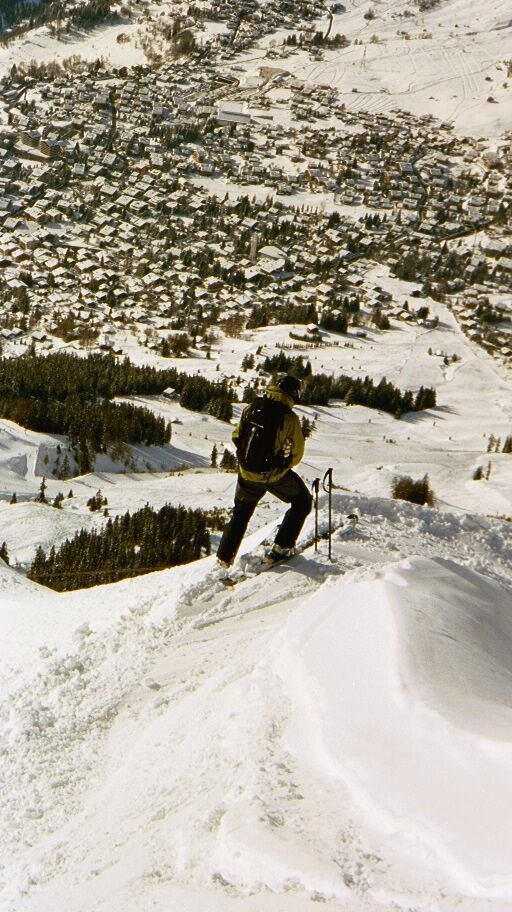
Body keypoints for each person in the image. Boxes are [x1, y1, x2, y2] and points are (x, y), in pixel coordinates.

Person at [217, 374, 312, 569]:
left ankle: (224, 558)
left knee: (241, 514)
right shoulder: (289, 418)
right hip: (274, 476)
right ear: (292, 394)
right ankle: (282, 547)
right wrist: (281, 463)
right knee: (302, 502)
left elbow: (236, 436)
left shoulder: (252, 408)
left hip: (246, 474)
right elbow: (296, 455)